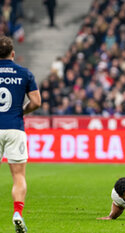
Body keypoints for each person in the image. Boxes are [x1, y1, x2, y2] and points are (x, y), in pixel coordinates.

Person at [0, 36, 41, 232]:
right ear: (13, 54)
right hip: (15, 127)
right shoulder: (24, 73)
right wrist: (21, 111)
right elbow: (36, 102)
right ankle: (17, 212)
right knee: (18, 176)